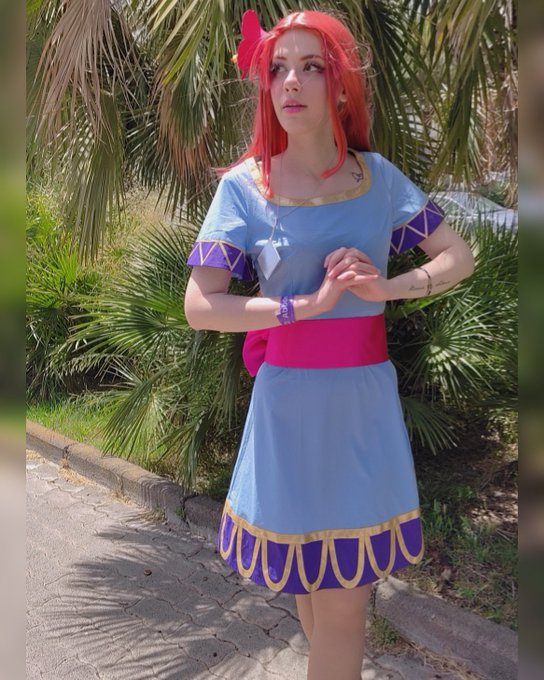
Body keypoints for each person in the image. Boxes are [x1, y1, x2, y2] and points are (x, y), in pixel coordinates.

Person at [184, 9, 475, 680]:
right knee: (313, 587)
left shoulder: (378, 179)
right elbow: (200, 307)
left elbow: (457, 256)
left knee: (343, 611)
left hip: (360, 407)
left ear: (340, 85)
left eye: (311, 67)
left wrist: (388, 288)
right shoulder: (245, 187)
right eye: (278, 69)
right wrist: (302, 307)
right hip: (286, 409)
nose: (291, 82)